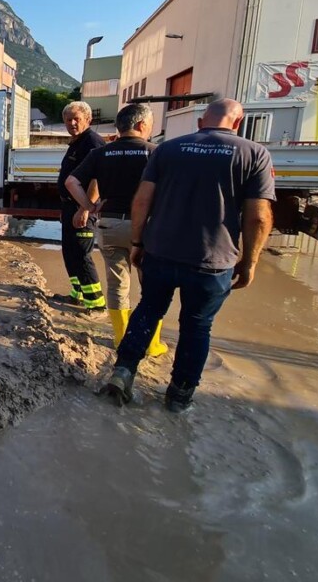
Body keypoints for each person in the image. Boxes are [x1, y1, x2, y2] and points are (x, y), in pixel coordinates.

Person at [103, 98, 275, 413]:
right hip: (212, 261)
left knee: (148, 310)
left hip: (161, 252)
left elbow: (141, 201)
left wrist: (139, 243)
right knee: (197, 326)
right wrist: (249, 262)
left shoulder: (168, 149)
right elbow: (259, 216)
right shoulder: (254, 153)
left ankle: (124, 370)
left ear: (200, 123)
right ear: (237, 123)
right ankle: (179, 396)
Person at [65, 103, 167, 357]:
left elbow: (71, 181)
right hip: (144, 227)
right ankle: (151, 344)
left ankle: (122, 340)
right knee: (151, 286)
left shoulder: (102, 153)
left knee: (117, 284)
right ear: (142, 125)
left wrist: (88, 206)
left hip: (109, 225)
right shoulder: (156, 152)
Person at [55, 101, 107, 312]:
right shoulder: (77, 142)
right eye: (69, 120)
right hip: (70, 208)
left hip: (82, 209)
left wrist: (85, 208)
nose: (73, 123)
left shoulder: (93, 142)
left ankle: (96, 304)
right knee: (70, 252)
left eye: (77, 119)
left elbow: (97, 179)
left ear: (88, 120)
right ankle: (78, 294)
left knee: (81, 255)